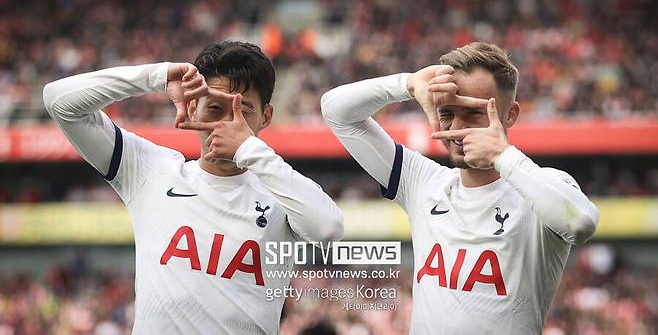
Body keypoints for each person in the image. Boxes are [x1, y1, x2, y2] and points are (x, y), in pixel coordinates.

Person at [43, 41, 344, 334]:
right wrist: (157, 76)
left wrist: (249, 148)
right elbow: (59, 102)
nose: (227, 124)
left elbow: (328, 229)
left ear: (266, 117)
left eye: (243, 111)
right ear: (192, 108)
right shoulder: (151, 170)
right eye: (215, 108)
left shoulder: (280, 195)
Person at [321, 42, 598, 334]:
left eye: (473, 112)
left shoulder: (540, 186)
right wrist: (408, 84)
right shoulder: (422, 181)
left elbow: (580, 223)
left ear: (510, 114)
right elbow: (337, 112)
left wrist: (502, 155)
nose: (456, 127)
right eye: (446, 113)